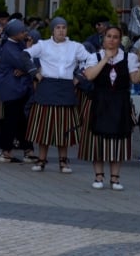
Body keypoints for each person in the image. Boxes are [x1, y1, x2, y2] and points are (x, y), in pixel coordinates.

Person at [26, 17, 92, 173]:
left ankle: (63, 161)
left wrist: (80, 77)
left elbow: (91, 59)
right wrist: (34, 72)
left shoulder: (75, 46)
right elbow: (24, 55)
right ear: (53, 30)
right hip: (47, 86)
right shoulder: (43, 45)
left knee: (64, 127)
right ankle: (41, 160)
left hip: (66, 87)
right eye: (58, 27)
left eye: (64, 27)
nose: (61, 30)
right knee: (44, 127)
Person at [80, 25, 139, 191]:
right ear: (103, 38)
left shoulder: (129, 57)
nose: (112, 40)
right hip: (100, 101)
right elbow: (90, 76)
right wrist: (105, 59)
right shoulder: (95, 56)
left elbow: (135, 80)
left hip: (120, 102)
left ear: (120, 40)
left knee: (117, 141)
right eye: (109, 36)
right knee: (98, 140)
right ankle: (98, 176)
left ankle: (115, 178)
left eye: (115, 37)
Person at [0, 19, 36, 164]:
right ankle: (6, 152)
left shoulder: (16, 44)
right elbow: (25, 62)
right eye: (22, 31)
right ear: (14, 34)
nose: (25, 33)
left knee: (21, 120)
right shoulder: (9, 47)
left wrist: (25, 69)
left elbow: (27, 65)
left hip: (18, 88)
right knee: (11, 121)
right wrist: (29, 50)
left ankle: (26, 149)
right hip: (11, 88)